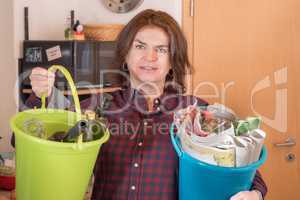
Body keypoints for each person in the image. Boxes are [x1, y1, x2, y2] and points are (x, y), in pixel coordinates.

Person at [24, 9, 267, 200]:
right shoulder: (96, 108)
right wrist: (42, 95)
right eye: (140, 46)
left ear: (173, 60)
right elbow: (40, 138)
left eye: (161, 49)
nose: (149, 58)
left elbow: (244, 168)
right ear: (125, 54)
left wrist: (255, 193)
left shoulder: (197, 113)